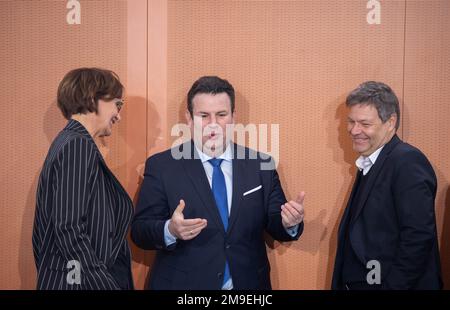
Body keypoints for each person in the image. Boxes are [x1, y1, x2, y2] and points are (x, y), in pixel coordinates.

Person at [131, 76, 305, 290]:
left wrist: (290, 222)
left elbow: (276, 223)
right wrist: (170, 230)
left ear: (233, 117)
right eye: (203, 115)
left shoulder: (262, 165)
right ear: (189, 118)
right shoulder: (162, 166)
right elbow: (140, 231)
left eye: (221, 115)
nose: (212, 124)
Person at [332, 81, 442, 290]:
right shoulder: (372, 161)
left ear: (390, 122)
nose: (355, 131)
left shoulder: (407, 162)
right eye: (351, 122)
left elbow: (418, 238)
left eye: (365, 124)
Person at [32, 68, 134, 290]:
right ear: (93, 97)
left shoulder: (69, 141)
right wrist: (103, 284)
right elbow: (68, 228)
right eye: (118, 104)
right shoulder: (77, 145)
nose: (119, 115)